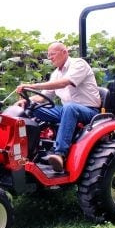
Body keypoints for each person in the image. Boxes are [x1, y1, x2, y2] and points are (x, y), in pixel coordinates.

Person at [16, 42, 100, 172]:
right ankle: (29, 151)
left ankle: (60, 154)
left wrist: (33, 86)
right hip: (67, 111)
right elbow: (42, 97)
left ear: (64, 52)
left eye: (52, 54)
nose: (50, 58)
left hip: (88, 110)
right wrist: (26, 100)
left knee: (70, 108)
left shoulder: (78, 64)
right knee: (33, 107)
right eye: (48, 55)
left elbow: (65, 83)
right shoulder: (56, 73)